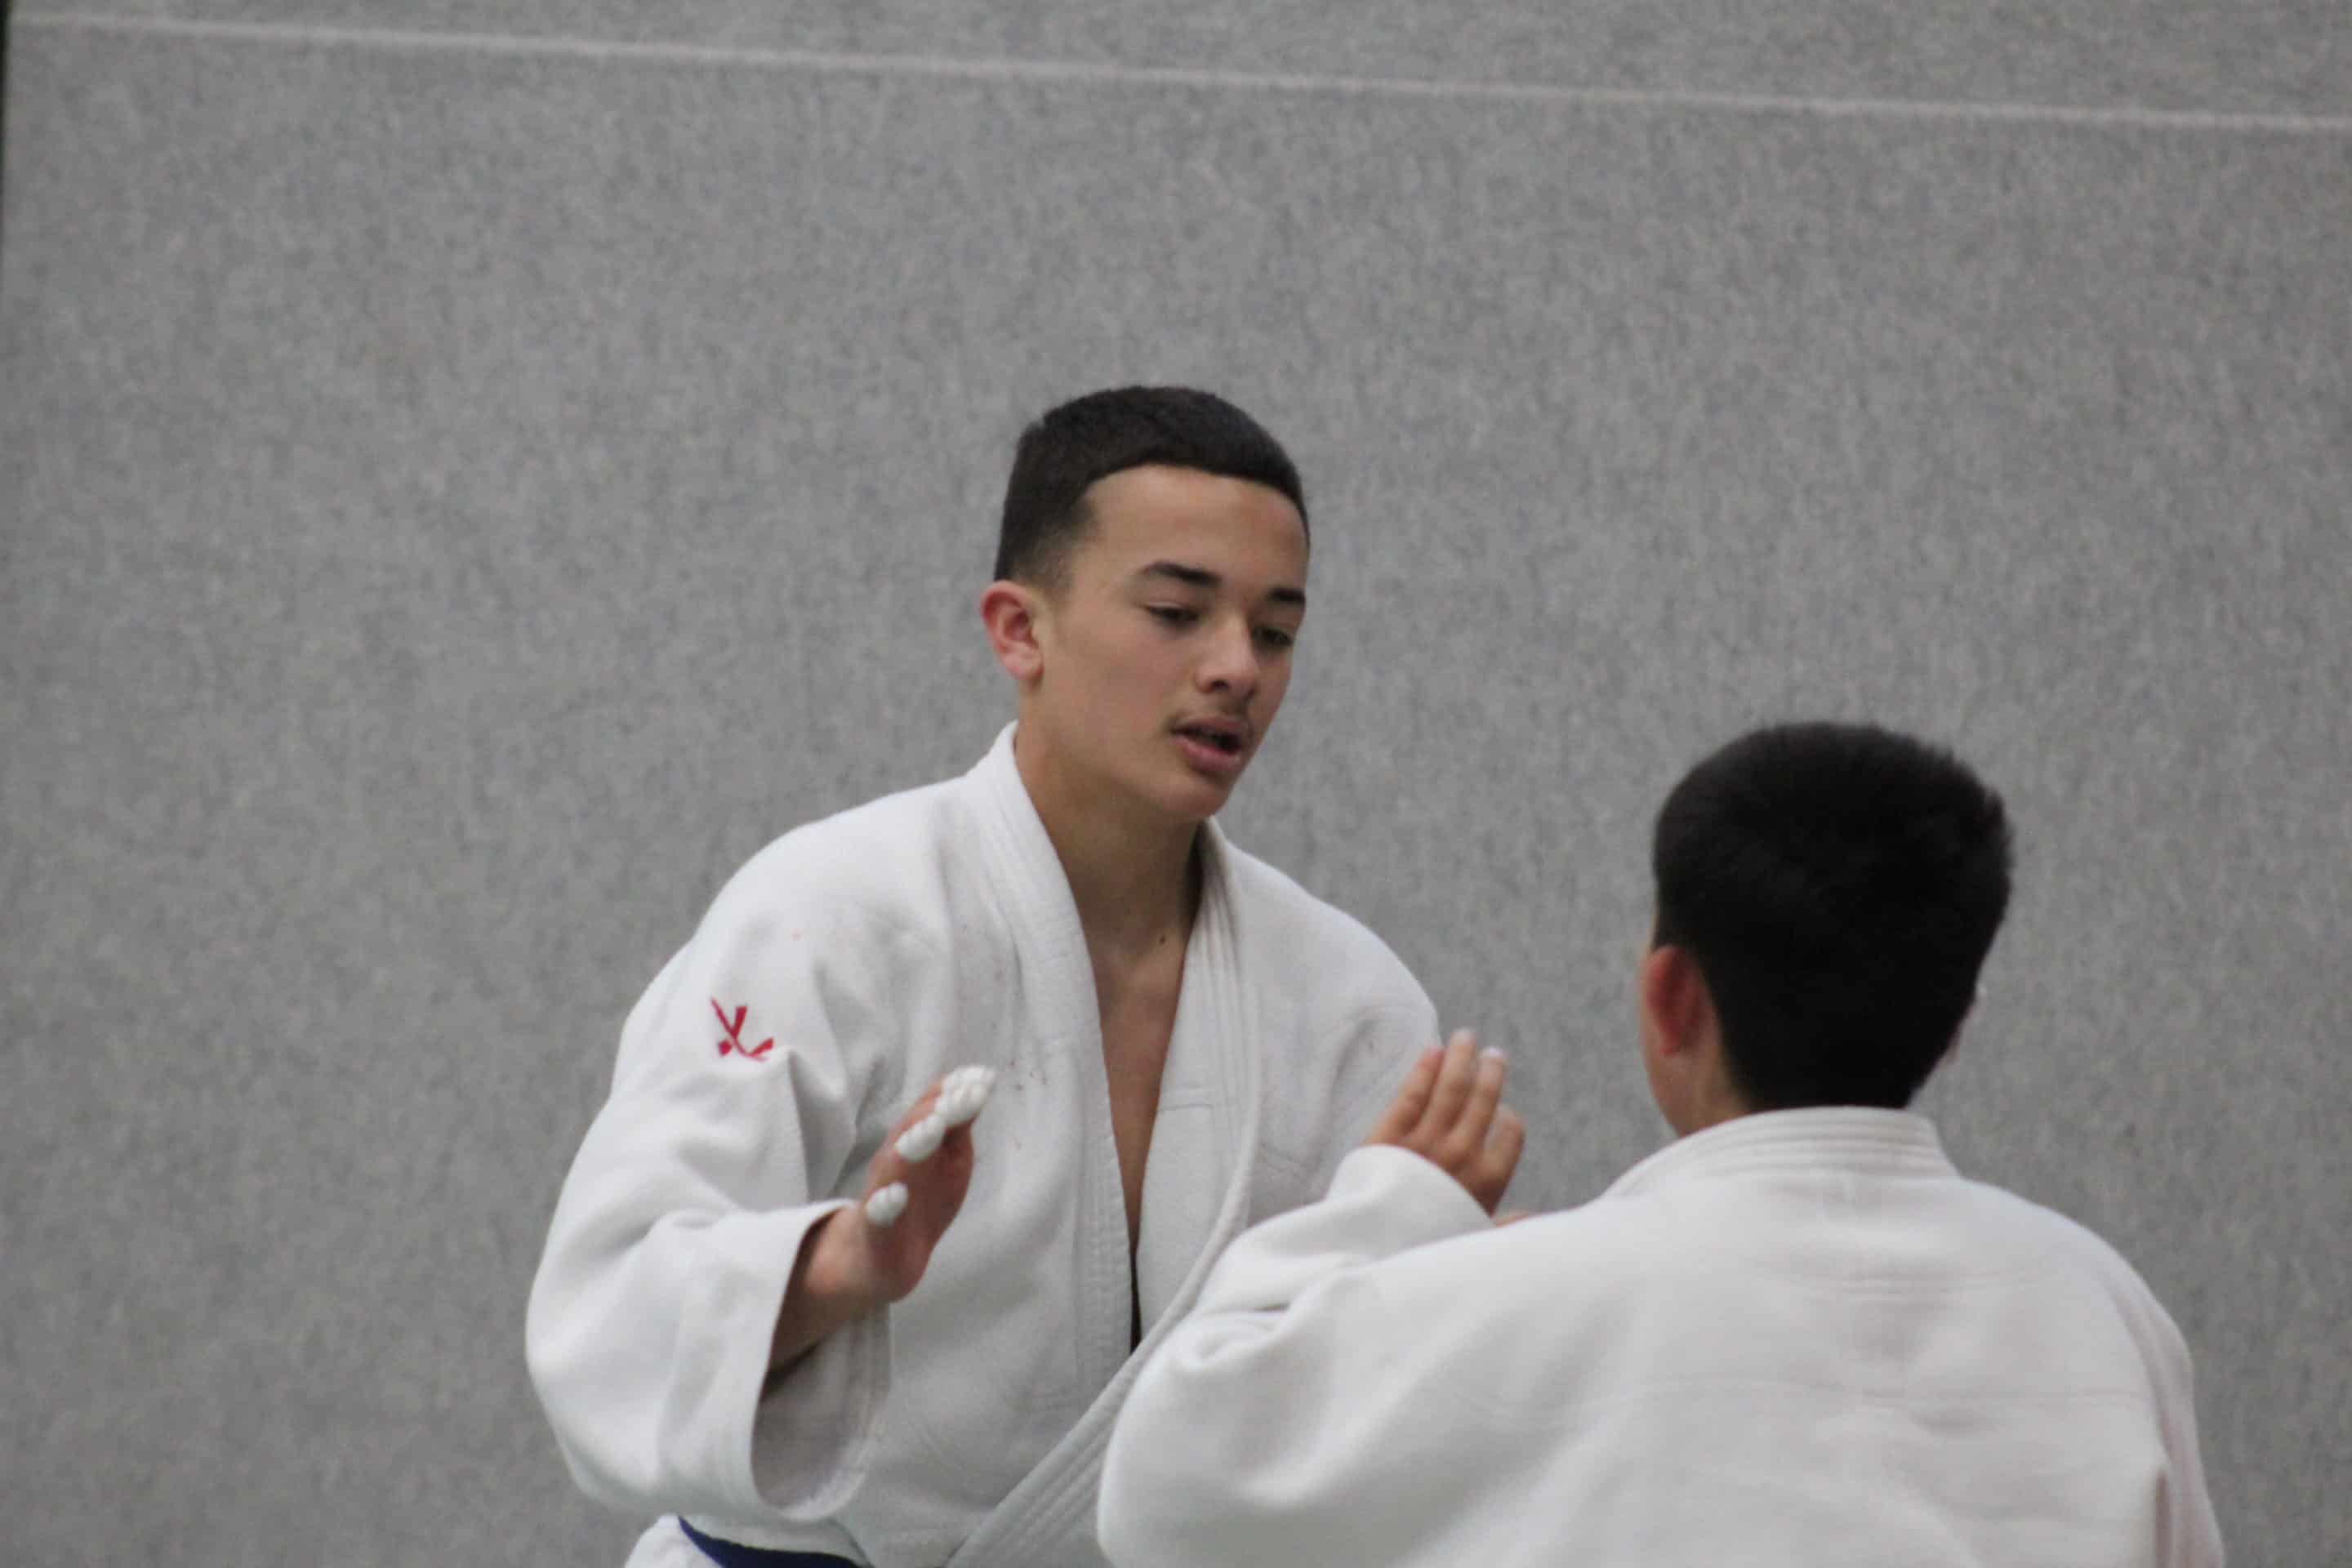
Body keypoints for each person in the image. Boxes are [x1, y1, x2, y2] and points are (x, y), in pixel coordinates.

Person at [526, 386, 1477, 1568]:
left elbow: (1378, 1418)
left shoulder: (1349, 1003)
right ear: (1020, 630)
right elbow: (608, 1309)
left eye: (1275, 631)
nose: (1237, 667)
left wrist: (1487, 1290)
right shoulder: (830, 918)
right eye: (1177, 611)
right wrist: (836, 1269)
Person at [1098, 720, 2223, 1568]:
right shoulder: (2107, 1311)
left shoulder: (1522, 1302)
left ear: (1671, 995)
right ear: (1957, 1021)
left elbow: (1166, 1487)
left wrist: (1396, 1210)